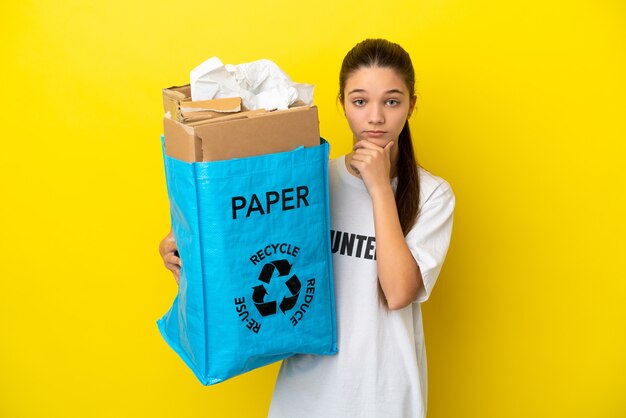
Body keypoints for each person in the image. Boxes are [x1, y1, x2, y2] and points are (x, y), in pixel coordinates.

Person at [159, 38, 455, 418]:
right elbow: (252, 259)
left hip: (384, 397)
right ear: (342, 105)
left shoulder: (434, 195)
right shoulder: (312, 182)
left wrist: (380, 187)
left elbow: (399, 292)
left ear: (411, 105)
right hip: (306, 396)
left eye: (392, 101)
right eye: (360, 101)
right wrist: (188, 248)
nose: (376, 117)